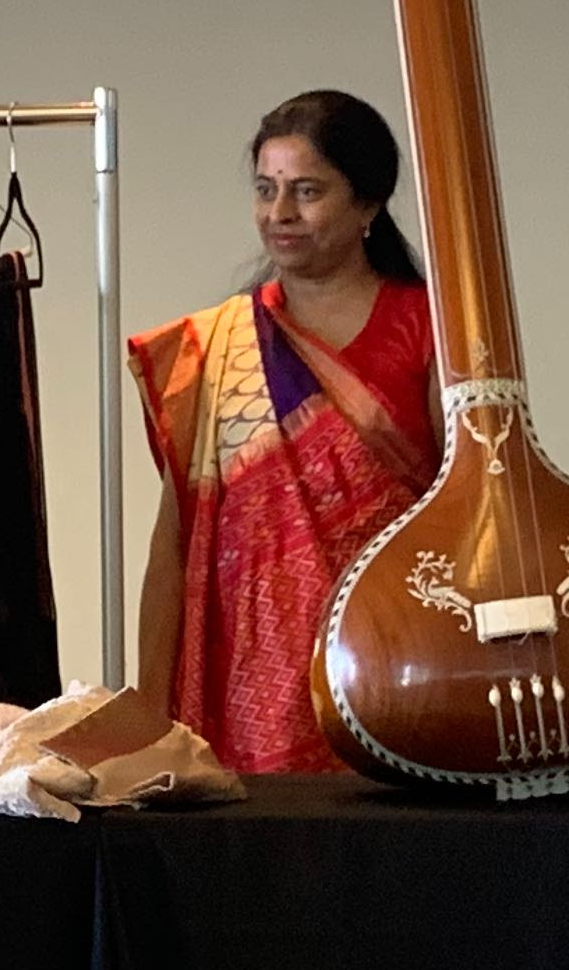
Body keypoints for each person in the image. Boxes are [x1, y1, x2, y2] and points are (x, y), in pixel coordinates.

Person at [128, 89, 439, 774]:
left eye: (307, 191)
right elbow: (174, 545)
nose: (279, 214)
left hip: (392, 666)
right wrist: (149, 707)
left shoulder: (430, 328)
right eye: (266, 190)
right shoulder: (216, 348)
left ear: (368, 204)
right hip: (246, 683)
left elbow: (464, 511)